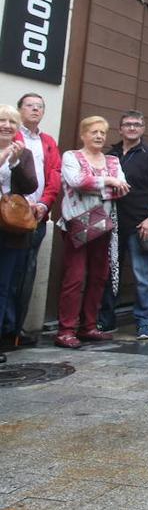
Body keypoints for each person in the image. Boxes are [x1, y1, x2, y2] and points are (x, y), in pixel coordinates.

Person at [55, 116, 129, 349]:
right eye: (94, 131)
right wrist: (107, 181)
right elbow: (75, 181)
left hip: (103, 226)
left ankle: (88, 326)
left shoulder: (113, 160)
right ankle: (66, 329)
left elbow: (123, 188)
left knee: (99, 276)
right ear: (83, 134)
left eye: (103, 133)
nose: (99, 136)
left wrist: (95, 186)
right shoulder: (71, 156)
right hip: (76, 226)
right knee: (74, 277)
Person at [101, 110, 148, 339]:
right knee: (109, 274)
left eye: (137, 124)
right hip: (112, 225)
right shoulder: (112, 155)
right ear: (120, 129)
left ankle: (144, 322)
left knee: (144, 276)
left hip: (141, 224)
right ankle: (106, 319)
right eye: (127, 124)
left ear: (143, 128)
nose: (132, 128)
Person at [7, 93, 60, 349]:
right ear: (19, 110)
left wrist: (44, 203)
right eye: (30, 105)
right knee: (8, 274)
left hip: (37, 218)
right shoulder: (11, 138)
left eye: (40, 106)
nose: (35, 110)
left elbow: (54, 175)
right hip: (11, 216)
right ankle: (6, 330)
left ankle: (17, 330)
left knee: (27, 274)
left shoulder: (48, 141)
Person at [0, 105, 38, 363]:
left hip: (10, 228)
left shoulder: (23, 154)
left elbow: (30, 185)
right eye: (1, 120)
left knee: (3, 286)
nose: (6, 125)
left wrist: (14, 163)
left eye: (12, 122)